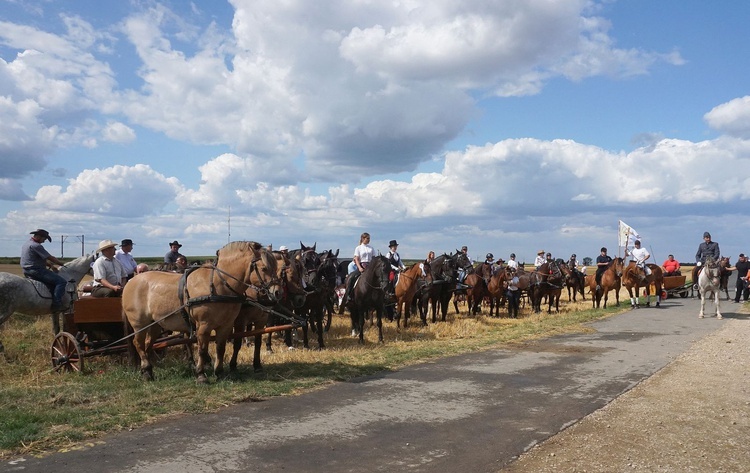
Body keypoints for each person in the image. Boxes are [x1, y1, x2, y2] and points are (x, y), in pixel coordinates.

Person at [21, 228, 68, 312]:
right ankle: (57, 305)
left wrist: (51, 266)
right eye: (44, 239)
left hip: (27, 270)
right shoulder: (36, 245)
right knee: (61, 282)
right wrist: (61, 263)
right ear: (39, 236)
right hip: (36, 270)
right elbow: (50, 257)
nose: (44, 241)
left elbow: (37, 259)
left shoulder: (27, 244)